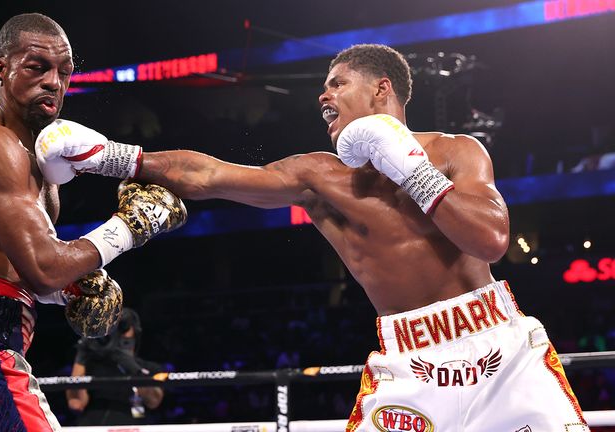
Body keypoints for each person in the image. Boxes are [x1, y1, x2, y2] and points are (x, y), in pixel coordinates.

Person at [38, 43, 589, 431]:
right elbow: (207, 175)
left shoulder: (456, 152)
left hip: (500, 348)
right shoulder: (319, 177)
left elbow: (492, 239)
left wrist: (410, 170)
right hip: (411, 363)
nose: (322, 97)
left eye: (336, 83)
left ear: (381, 90)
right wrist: (109, 158)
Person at [0, 13, 186, 432]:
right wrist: (129, 225)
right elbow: (43, 269)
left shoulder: (40, 161)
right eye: (37, 67)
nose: (54, 82)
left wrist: (74, 289)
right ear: (0, 68)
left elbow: (15, 272)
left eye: (64, 73)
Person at [66, 308, 164, 426]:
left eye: (124, 330)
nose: (118, 337)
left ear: (135, 335)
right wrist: (81, 356)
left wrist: (134, 370)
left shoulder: (149, 368)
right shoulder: (92, 365)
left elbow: (154, 401)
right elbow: (76, 404)